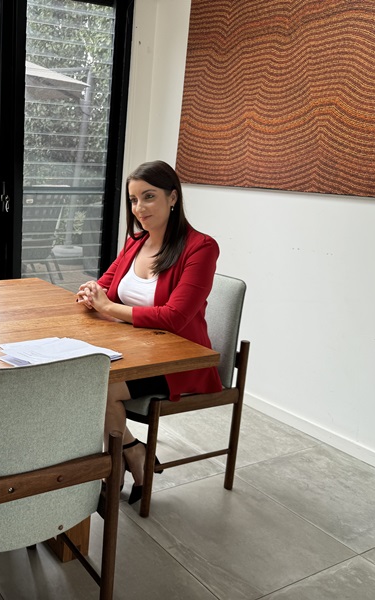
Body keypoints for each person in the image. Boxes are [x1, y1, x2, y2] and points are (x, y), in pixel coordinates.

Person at [76, 160, 222, 505]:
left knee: (100, 387)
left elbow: (174, 317)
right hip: (136, 348)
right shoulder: (134, 243)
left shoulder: (201, 248)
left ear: (173, 198)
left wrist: (107, 308)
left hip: (179, 359)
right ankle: (132, 452)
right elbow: (105, 287)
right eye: (133, 199)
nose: (139, 208)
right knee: (82, 378)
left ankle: (120, 460)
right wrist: (90, 293)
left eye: (149, 197)